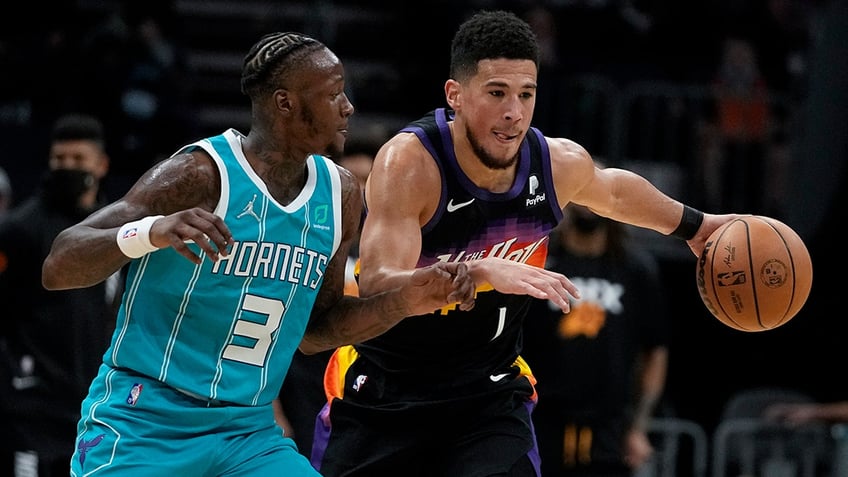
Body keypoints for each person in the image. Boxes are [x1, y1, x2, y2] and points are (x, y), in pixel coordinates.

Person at [311, 10, 737, 477]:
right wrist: (477, 272)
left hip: (487, 395)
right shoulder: (411, 163)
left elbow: (614, 192)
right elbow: (376, 283)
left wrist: (697, 228)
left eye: (526, 94)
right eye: (497, 93)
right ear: (455, 95)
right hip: (387, 390)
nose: (514, 112)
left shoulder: (554, 162)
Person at [40, 31, 476, 477]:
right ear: (284, 103)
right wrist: (152, 230)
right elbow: (58, 264)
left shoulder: (339, 193)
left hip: (245, 432)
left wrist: (405, 302)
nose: (348, 106)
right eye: (332, 94)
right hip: (145, 419)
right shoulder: (200, 173)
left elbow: (317, 330)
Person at [0, 113, 115, 477]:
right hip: (31, 403)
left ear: (101, 165)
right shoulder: (18, 230)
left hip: (94, 402)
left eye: (77, 160)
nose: (67, 167)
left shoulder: (116, 228)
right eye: (59, 160)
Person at [522, 203, 670, 477]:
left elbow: (655, 351)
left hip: (610, 429)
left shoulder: (635, 269)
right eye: (580, 193)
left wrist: (638, 426)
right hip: (542, 422)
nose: (587, 204)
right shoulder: (539, 264)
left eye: (594, 194)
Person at [274, 138, 377, 457]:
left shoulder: (392, 247)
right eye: (354, 178)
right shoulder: (308, 238)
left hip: (366, 379)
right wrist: (274, 411)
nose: (361, 189)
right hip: (305, 380)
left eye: (369, 179)